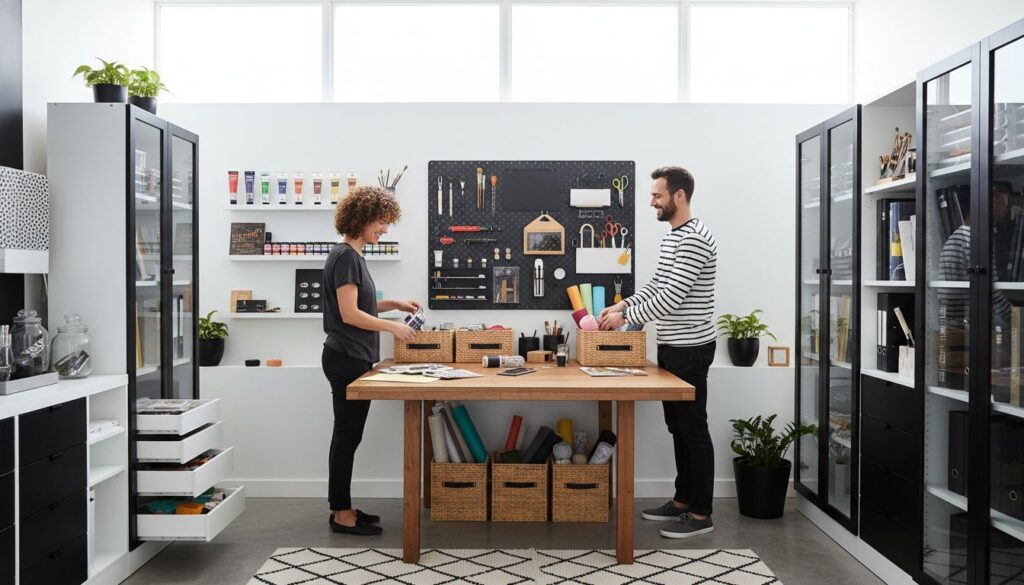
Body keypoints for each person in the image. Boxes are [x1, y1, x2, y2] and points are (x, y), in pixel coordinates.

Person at [598, 166, 718, 539]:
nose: (652, 201)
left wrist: (626, 319)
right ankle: (682, 500)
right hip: (672, 346)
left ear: (679, 195)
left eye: (657, 195)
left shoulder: (694, 238)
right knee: (678, 427)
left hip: (691, 348)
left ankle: (701, 514)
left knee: (693, 429)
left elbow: (672, 297)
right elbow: (657, 285)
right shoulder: (674, 237)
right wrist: (622, 305)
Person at [322, 186, 420, 536]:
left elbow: (358, 305)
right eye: (380, 221)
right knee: (347, 436)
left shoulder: (351, 256)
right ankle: (341, 514)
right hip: (346, 356)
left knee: (348, 435)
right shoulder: (347, 257)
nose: (384, 229)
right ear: (361, 219)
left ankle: (343, 507)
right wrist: (393, 327)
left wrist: (393, 304)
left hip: (351, 356)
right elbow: (349, 314)